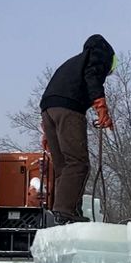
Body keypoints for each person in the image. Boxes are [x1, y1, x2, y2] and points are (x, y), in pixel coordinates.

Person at [40, 34, 116, 223]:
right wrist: (101, 107)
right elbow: (92, 78)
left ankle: (63, 211)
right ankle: (65, 212)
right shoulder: (96, 57)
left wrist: (46, 131)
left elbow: (54, 93)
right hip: (68, 109)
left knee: (63, 167)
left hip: (48, 110)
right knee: (78, 164)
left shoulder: (71, 64)